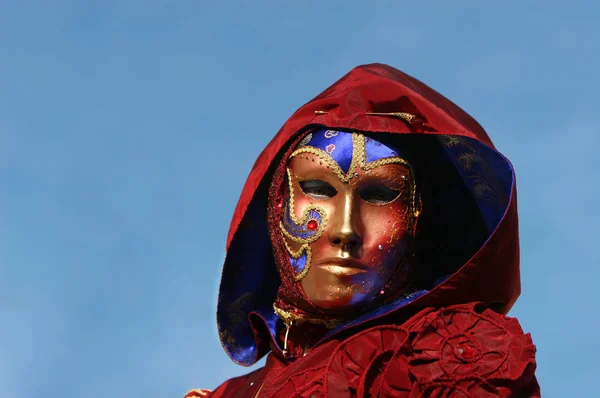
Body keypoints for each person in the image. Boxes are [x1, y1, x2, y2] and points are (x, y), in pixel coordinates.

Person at [185, 64, 539, 397]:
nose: (345, 230)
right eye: (318, 189)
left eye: (380, 195)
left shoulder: (440, 362)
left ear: (417, 218)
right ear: (276, 204)